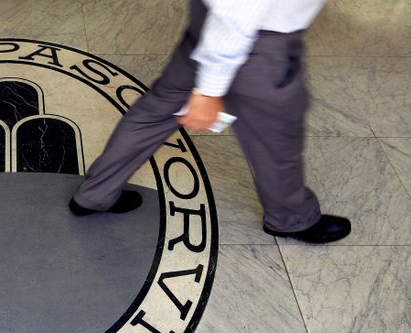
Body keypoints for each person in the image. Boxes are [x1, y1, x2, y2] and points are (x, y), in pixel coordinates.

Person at [69, 0, 351, 244]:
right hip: (254, 37)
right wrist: (209, 90)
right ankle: (291, 219)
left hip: (211, 17)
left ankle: (95, 193)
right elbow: (239, 10)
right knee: (277, 143)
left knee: (155, 112)